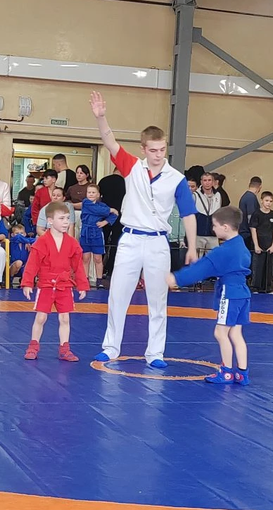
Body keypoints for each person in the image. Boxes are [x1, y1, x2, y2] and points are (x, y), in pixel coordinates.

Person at [89, 90, 197, 368]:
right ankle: (110, 347)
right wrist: (101, 118)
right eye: (153, 150)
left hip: (158, 242)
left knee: (158, 300)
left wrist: (192, 245)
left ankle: (156, 353)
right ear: (143, 149)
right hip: (130, 239)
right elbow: (110, 142)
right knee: (118, 295)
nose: (158, 155)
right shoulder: (132, 167)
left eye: (162, 150)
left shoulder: (177, 178)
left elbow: (188, 213)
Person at [167, 206, 251, 385]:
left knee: (220, 333)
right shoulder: (241, 244)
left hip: (230, 293)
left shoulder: (224, 251)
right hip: (243, 293)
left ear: (225, 227)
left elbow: (203, 268)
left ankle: (226, 372)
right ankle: (242, 373)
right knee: (236, 333)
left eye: (215, 225)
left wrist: (177, 278)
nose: (213, 229)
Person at [21, 201, 89, 361]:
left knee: (65, 318)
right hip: (46, 284)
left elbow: (78, 266)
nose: (66, 222)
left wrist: (82, 285)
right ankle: (33, 346)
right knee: (41, 317)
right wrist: (27, 283)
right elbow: (32, 264)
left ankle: (65, 349)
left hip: (64, 285)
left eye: (67, 218)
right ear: (50, 221)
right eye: (61, 218)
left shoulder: (72, 243)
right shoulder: (42, 241)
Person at [80, 183, 118, 288]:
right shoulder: (86, 202)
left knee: (98, 258)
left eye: (93, 192)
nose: (91, 194)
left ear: (98, 194)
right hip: (85, 233)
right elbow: (98, 210)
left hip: (97, 233)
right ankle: (85, 280)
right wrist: (111, 210)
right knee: (85, 257)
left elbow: (115, 215)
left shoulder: (102, 206)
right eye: (89, 192)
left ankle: (99, 280)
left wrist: (105, 222)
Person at [249, 191, 273, 293]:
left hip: (269, 244)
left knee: (268, 267)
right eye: (266, 200)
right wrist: (256, 245)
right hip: (259, 243)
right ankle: (255, 287)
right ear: (262, 201)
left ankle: (267, 287)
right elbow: (253, 229)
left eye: (270, 201)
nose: (268, 203)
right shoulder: (256, 214)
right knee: (257, 266)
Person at [98, 168, 126, 278]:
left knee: (102, 241)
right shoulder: (126, 183)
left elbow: (98, 198)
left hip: (104, 215)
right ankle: (111, 269)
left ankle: (99, 268)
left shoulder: (104, 180)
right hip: (120, 216)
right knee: (115, 243)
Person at [194, 172, 222, 255]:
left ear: (213, 182)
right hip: (198, 233)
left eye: (209, 180)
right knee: (197, 259)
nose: (207, 182)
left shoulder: (218, 195)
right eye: (205, 180)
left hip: (213, 234)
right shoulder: (195, 195)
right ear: (201, 182)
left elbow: (219, 213)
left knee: (214, 258)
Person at [238, 176, 262, 250]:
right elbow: (251, 217)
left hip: (244, 232)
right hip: (248, 234)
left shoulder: (245, 196)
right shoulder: (251, 198)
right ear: (260, 187)